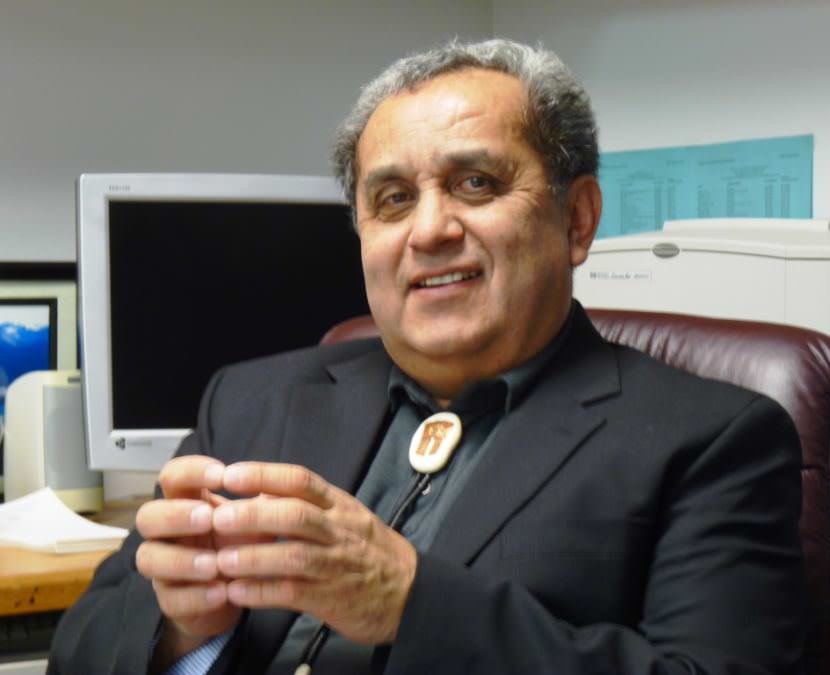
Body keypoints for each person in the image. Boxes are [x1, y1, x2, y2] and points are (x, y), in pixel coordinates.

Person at [48, 39, 805, 674]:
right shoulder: (249, 402)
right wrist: (190, 631)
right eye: (393, 199)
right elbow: (79, 648)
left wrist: (410, 605)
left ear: (576, 220)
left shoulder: (712, 440)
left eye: (475, 183)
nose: (430, 229)